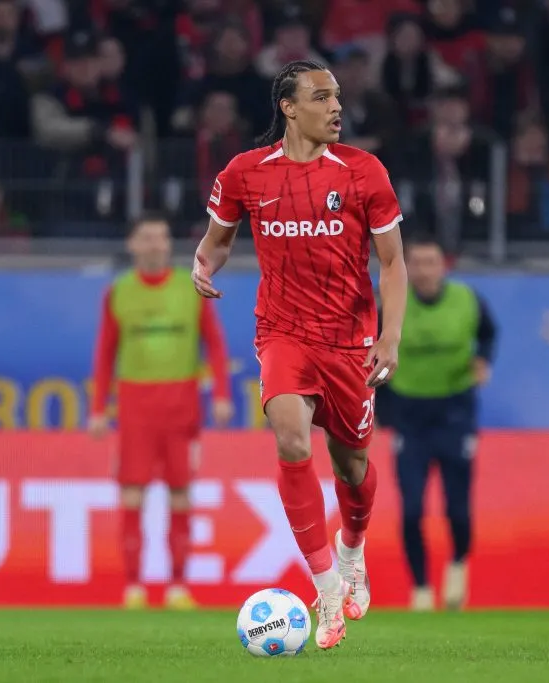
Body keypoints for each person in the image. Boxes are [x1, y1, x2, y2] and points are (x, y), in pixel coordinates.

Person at [191, 60, 408, 650]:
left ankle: (352, 550)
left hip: (350, 340)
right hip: (282, 332)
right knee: (289, 437)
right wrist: (202, 265)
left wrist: (389, 336)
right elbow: (217, 240)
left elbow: (391, 262)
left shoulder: (365, 173)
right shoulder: (244, 173)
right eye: (322, 97)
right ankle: (327, 588)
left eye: (338, 96)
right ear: (289, 107)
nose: (337, 107)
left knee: (352, 468)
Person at [90, 213, 233, 610]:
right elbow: (105, 354)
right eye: (147, 238)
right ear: (133, 244)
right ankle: (134, 586)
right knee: (132, 493)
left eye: (162, 238)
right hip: (136, 406)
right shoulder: (118, 292)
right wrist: (98, 408)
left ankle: (177, 587)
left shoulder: (192, 289)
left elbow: (215, 346)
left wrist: (221, 395)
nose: (155, 245)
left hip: (181, 404)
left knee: (181, 494)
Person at [376, 234, 495, 611]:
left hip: (455, 414)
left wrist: (483, 360)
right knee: (411, 509)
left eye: (432, 262)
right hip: (410, 418)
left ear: (445, 265)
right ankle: (422, 588)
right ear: (407, 267)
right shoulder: (393, 304)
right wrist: (380, 410)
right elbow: (372, 352)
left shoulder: (467, 300)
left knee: (457, 509)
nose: (425, 271)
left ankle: (458, 563)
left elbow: (488, 335)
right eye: (418, 263)